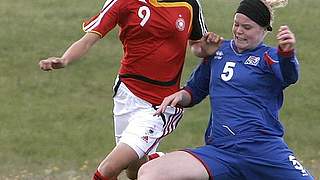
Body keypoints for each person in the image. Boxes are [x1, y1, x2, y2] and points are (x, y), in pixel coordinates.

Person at [38, 0, 216, 179]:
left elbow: (196, 44)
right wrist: (64, 60)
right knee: (134, 171)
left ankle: (173, 166)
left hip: (159, 106)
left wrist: (206, 47)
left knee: (108, 170)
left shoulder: (189, 4)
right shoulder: (123, 2)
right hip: (127, 95)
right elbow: (87, 40)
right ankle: (164, 164)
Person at [137, 0, 315, 179]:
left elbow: (289, 76)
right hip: (220, 152)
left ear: (264, 29)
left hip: (265, 151)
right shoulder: (219, 51)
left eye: (247, 27)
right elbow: (194, 91)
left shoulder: (269, 57)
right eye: (236, 24)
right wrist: (179, 96)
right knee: (149, 172)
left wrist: (287, 53)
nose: (239, 31)